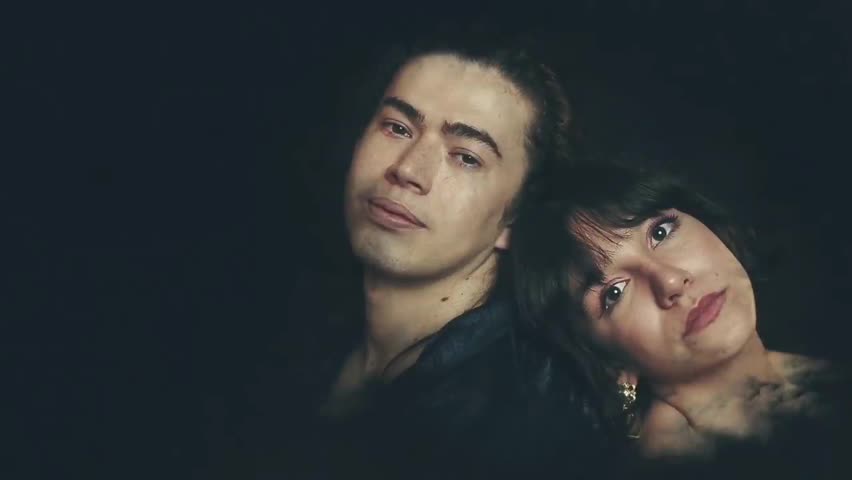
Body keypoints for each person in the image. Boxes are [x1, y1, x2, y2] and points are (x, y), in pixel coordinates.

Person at [233, 29, 609, 479]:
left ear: (515, 217)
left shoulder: (523, 428)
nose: (407, 169)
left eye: (466, 157)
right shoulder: (288, 329)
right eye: (397, 127)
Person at [507, 162, 851, 477]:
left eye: (660, 232)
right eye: (615, 292)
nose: (670, 281)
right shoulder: (673, 463)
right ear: (604, 359)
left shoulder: (819, 360)